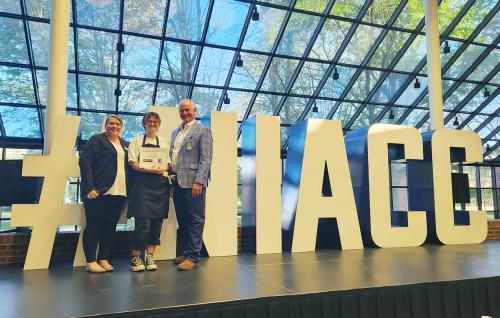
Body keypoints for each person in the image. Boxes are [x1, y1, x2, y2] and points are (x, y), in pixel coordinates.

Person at [79, 115, 129, 273]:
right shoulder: (97, 140)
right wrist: (89, 188)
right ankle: (90, 261)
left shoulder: (125, 144)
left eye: (117, 124)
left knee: (110, 227)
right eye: (111, 123)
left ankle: (103, 258)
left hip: (119, 193)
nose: (114, 126)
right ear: (105, 125)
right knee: (94, 226)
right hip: (98, 192)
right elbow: (85, 161)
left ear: (121, 127)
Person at [170, 99, 213, 271]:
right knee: (183, 219)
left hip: (194, 183)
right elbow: (173, 157)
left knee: (195, 219)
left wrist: (199, 182)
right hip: (176, 182)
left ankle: (193, 256)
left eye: (187, 110)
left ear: (194, 110)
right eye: (182, 111)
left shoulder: (203, 130)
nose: (185, 113)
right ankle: (186, 252)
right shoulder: (175, 132)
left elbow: (206, 158)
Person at [127, 112, 170, 272]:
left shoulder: (164, 141)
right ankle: (136, 258)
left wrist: (164, 168)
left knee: (156, 225)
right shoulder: (136, 141)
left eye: (155, 121)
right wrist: (148, 169)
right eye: (149, 121)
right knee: (142, 225)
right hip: (142, 187)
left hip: (160, 187)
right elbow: (133, 163)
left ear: (159, 124)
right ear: (144, 123)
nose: (152, 123)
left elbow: (168, 164)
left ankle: (150, 257)